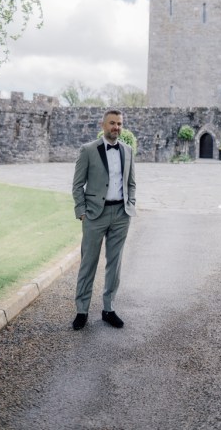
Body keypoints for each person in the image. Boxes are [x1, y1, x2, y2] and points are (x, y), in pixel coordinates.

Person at [71, 109, 136, 331]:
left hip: (121, 214)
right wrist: (81, 211)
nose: (116, 127)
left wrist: (131, 205)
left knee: (114, 264)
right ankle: (82, 310)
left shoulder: (127, 150)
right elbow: (77, 184)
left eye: (119, 124)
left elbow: (131, 183)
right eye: (112, 123)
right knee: (88, 263)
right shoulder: (88, 150)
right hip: (94, 215)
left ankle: (108, 309)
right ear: (103, 125)